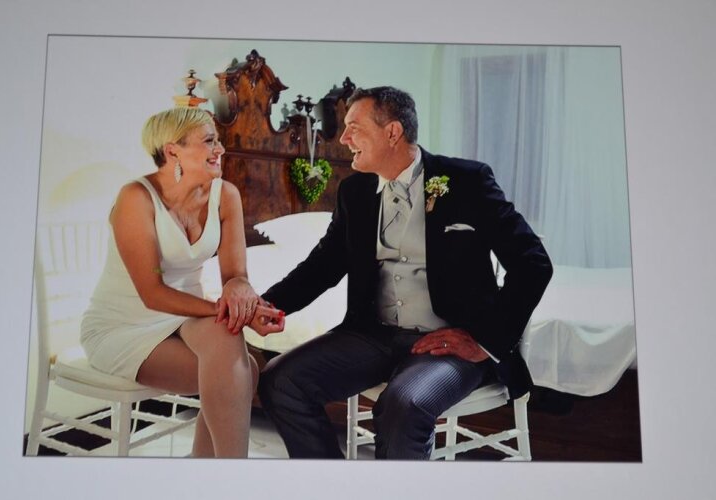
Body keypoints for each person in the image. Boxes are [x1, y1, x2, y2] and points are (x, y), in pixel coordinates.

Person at [257, 86, 553, 459]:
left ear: (392, 132)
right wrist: (269, 304)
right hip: (373, 335)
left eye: (354, 128)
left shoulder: (466, 180)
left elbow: (533, 263)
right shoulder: (354, 192)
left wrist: (484, 341)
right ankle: (330, 481)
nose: (344, 139)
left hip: (447, 345)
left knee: (405, 403)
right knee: (280, 381)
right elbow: (324, 265)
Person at [80, 107, 285, 458]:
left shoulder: (226, 195)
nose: (220, 149)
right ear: (173, 151)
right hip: (124, 326)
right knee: (243, 372)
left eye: (217, 140)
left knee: (230, 345)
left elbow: (235, 274)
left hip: (183, 318)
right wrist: (231, 310)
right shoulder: (136, 198)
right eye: (209, 141)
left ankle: (214, 469)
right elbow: (152, 293)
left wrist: (241, 293)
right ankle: (225, 471)